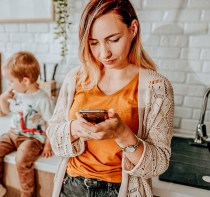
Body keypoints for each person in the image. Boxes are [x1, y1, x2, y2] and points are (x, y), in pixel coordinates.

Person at [46, 0, 174, 197]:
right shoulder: (76, 77)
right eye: (93, 43)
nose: (103, 53)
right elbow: (53, 133)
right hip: (70, 185)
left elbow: (158, 163)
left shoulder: (156, 87)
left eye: (113, 39)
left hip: (119, 190)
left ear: (133, 29)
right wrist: (75, 129)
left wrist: (122, 134)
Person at [0, 51, 54, 197]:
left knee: (21, 160)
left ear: (26, 81)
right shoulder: (16, 93)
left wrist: (48, 144)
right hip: (12, 134)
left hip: (32, 139)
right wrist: (3, 99)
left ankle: (27, 194)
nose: (9, 84)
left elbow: (50, 123)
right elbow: (6, 111)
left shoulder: (42, 99)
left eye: (11, 81)